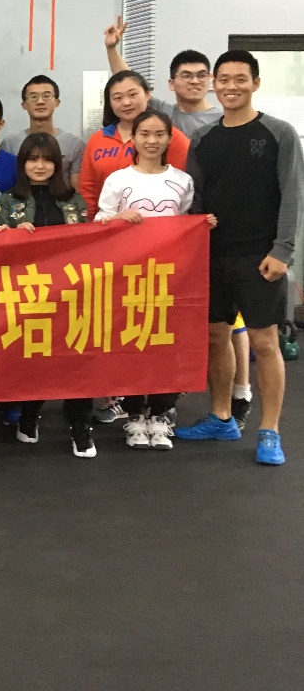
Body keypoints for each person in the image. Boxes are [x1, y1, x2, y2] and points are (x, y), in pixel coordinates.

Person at [176, 51, 303, 466]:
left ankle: (270, 430)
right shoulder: (203, 139)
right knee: (217, 337)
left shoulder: (279, 133)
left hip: (261, 257)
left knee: (265, 343)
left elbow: (292, 195)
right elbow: (195, 197)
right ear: (215, 84)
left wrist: (282, 250)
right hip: (213, 255)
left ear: (255, 83)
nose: (231, 87)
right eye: (224, 79)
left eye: (240, 79)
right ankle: (221, 417)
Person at [95, 109, 212, 451]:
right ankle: (133, 414)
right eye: (144, 134)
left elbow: (190, 221)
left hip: (172, 277)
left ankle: (160, 415)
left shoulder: (183, 180)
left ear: (169, 138)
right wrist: (118, 218)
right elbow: (99, 222)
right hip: (129, 275)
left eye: (159, 134)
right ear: (133, 138)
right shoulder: (118, 180)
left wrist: (204, 224)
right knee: (132, 342)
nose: (151, 140)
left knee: (167, 345)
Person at [0, 132, 94, 457]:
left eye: (47, 159)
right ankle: (29, 415)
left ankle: (80, 426)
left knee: (77, 360)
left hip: (71, 293)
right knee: (33, 359)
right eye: (33, 159)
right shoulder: (9, 201)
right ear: (22, 164)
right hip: (28, 295)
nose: (40, 166)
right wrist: (10, 235)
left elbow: (92, 243)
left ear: (58, 164)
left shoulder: (73, 200)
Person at [78, 69, 190, 219]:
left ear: (147, 95)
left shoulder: (171, 138)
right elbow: (87, 190)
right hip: (108, 224)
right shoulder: (97, 140)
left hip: (159, 224)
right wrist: (90, 225)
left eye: (132, 95)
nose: (126, 103)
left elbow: (183, 188)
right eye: (117, 98)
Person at [105, 17, 222, 138]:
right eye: (187, 76)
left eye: (201, 75)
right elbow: (127, 81)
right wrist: (111, 48)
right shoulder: (164, 113)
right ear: (171, 83)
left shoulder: (221, 119)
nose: (195, 81)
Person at [0, 75, 86, 183]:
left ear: (57, 102)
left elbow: (76, 187)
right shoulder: (10, 144)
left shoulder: (74, 144)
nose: (40, 101)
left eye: (46, 96)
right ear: (24, 104)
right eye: (33, 97)